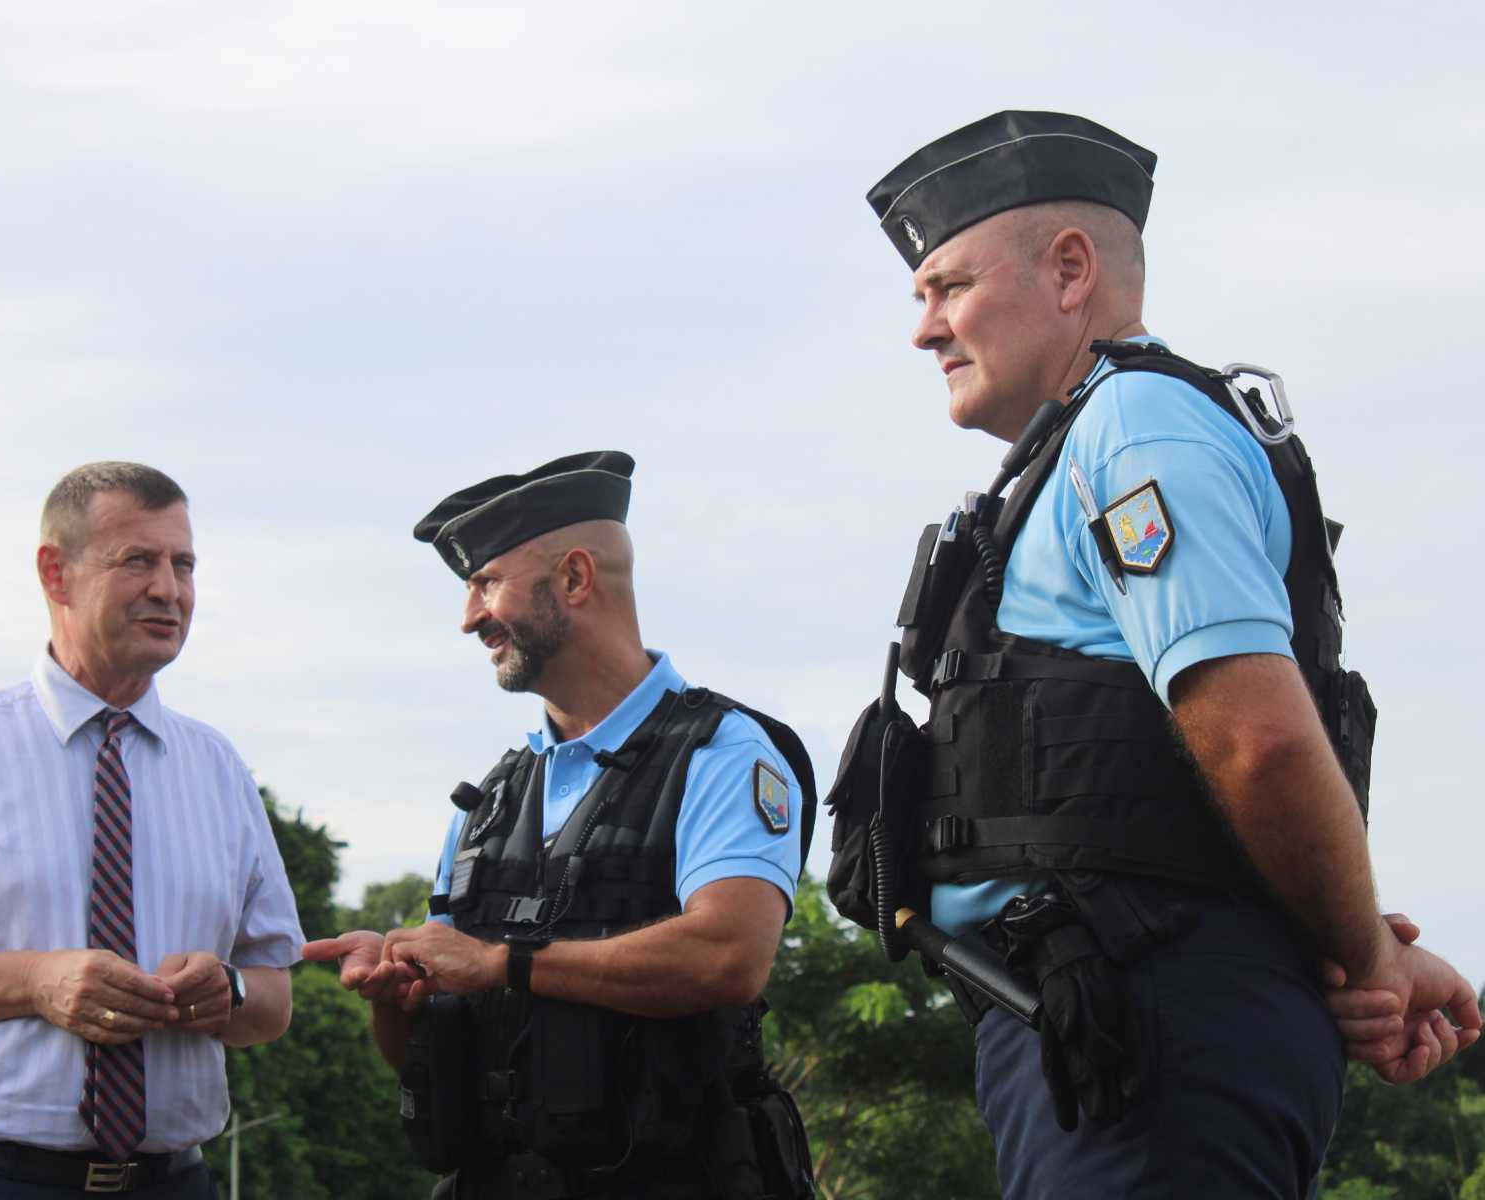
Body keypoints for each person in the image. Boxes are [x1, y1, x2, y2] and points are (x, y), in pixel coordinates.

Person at [844, 110, 1481, 1197]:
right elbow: (1164, 805)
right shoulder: (1093, 443)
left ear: (1070, 269)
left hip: (1149, 1034)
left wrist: (1366, 965)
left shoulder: (1133, 431)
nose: (926, 329)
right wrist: (1360, 939)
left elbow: (1261, 745)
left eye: (947, 287)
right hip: (1114, 1025)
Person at [303, 451, 817, 1200]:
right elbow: (429, 1046)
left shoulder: (722, 752)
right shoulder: (488, 803)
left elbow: (729, 956)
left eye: (486, 584)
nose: (468, 617)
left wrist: (504, 962)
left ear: (574, 578)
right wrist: (397, 987)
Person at [0, 462, 303, 1199]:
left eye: (183, 564)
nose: (169, 588)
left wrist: (225, 989)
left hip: (174, 1182)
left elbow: (272, 997)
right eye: (138, 560)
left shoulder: (220, 769)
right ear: (56, 572)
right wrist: (35, 980)